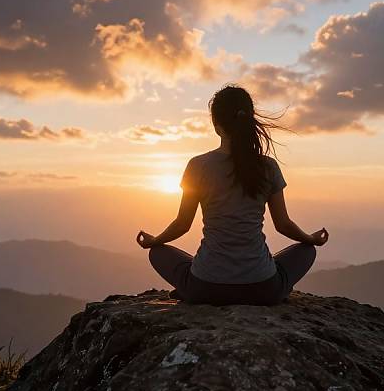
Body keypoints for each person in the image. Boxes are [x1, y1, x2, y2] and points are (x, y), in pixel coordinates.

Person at [137, 84, 329, 305]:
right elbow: (283, 224)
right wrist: (311, 239)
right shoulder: (267, 167)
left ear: (217, 126)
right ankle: (277, 290)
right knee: (306, 251)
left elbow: (182, 224)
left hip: (206, 287)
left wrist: (154, 241)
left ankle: (188, 290)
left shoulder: (197, 166)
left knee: (158, 253)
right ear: (249, 120)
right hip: (262, 289)